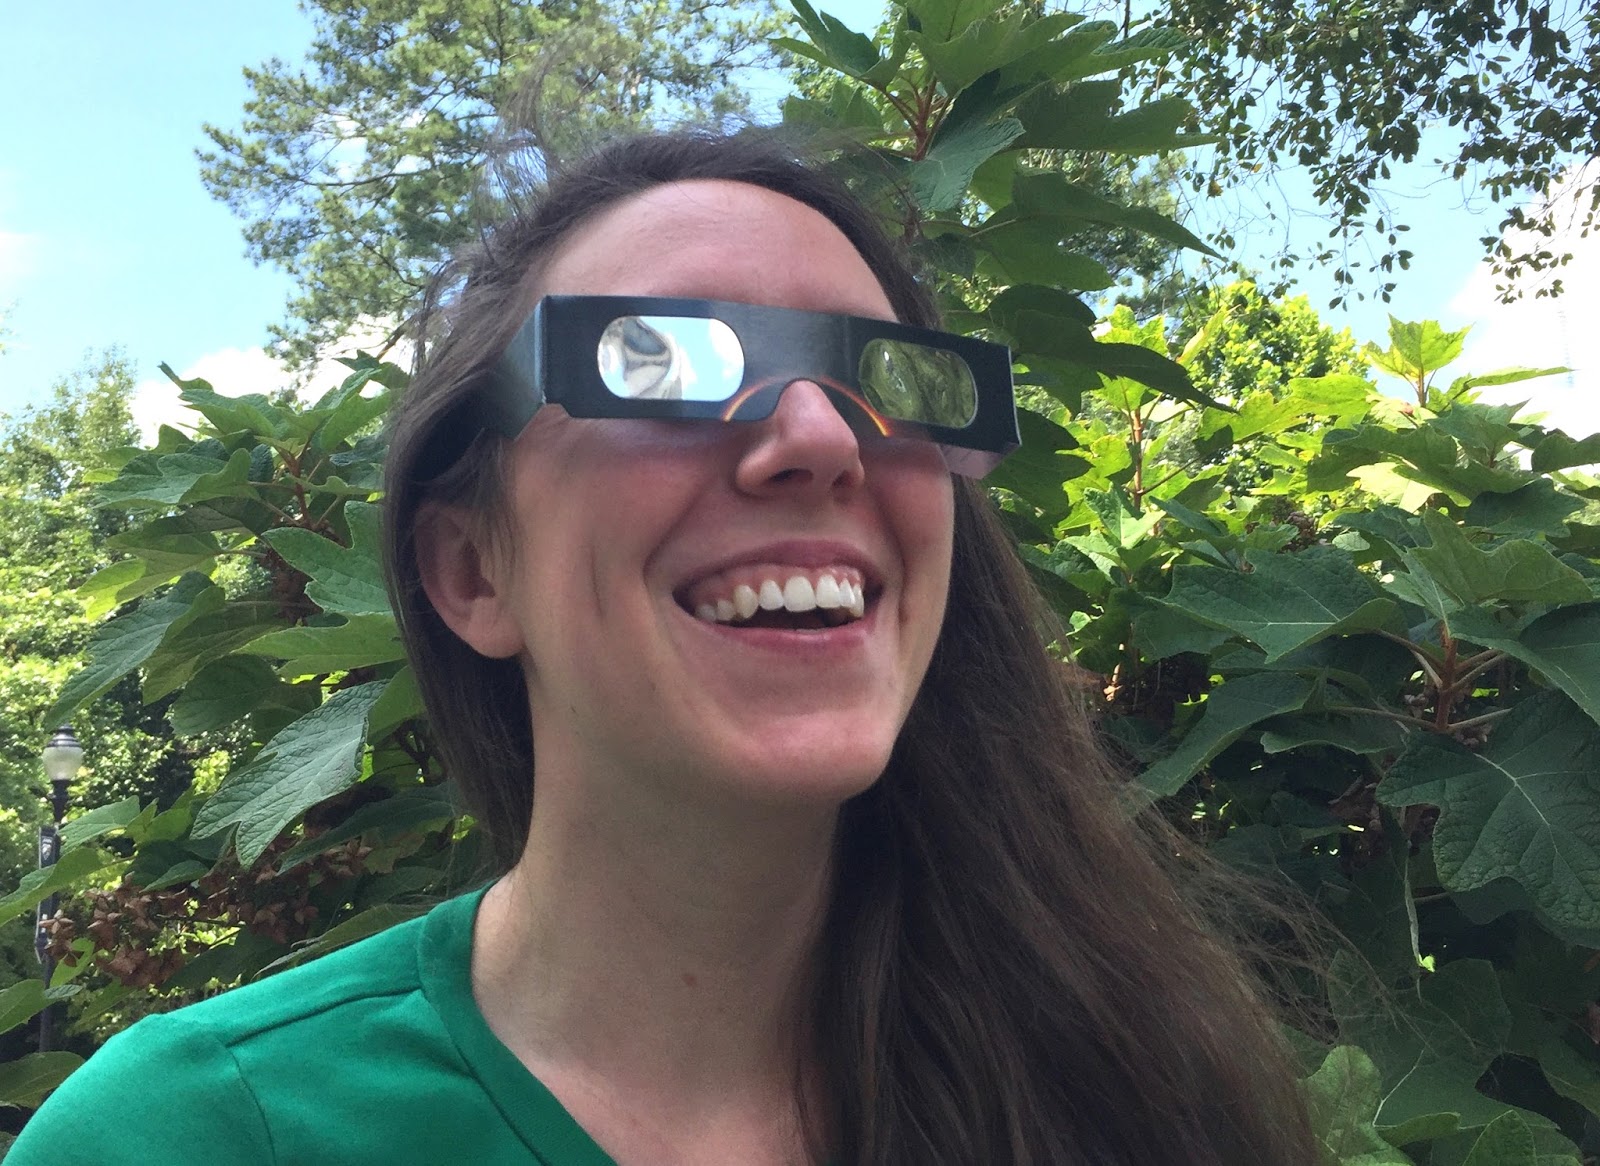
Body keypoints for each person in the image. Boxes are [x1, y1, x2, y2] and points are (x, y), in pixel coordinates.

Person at [9, 130, 1320, 1164]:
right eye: (658, 363)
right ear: (472, 571)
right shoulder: (192, 1137)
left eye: (891, 378)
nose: (822, 436)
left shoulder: (1131, 1082)